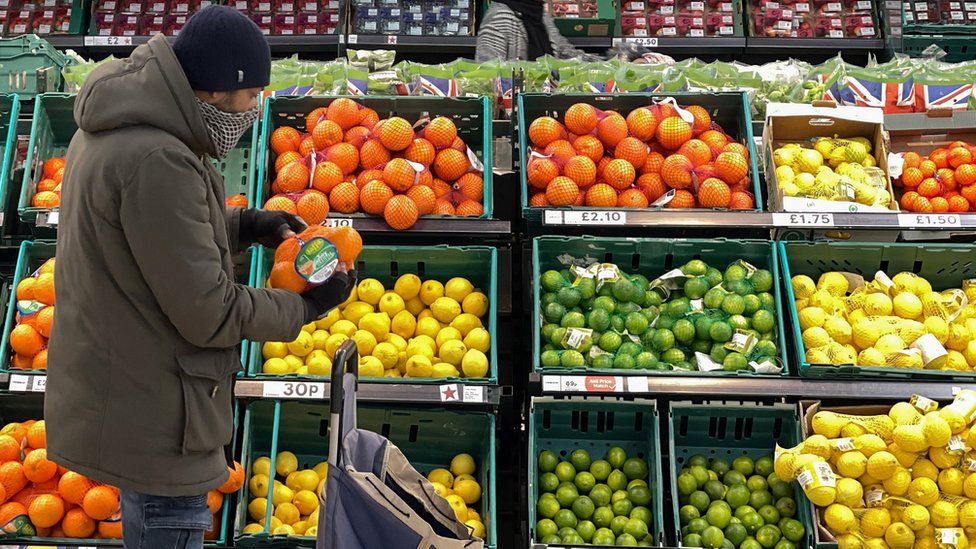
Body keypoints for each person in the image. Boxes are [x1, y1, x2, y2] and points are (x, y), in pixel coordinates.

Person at [44, 6, 355, 548]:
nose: (257, 108)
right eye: (252, 94)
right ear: (214, 91)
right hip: (159, 405)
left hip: (131, 383)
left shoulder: (125, 130)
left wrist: (242, 226)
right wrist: (305, 307)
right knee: (166, 520)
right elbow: (208, 311)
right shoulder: (159, 158)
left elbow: (145, 239)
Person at [475, 0, 589, 61]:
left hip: (543, 100)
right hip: (513, 102)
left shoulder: (541, 15)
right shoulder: (499, 16)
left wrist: (603, 62)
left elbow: (564, 52)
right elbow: (487, 72)